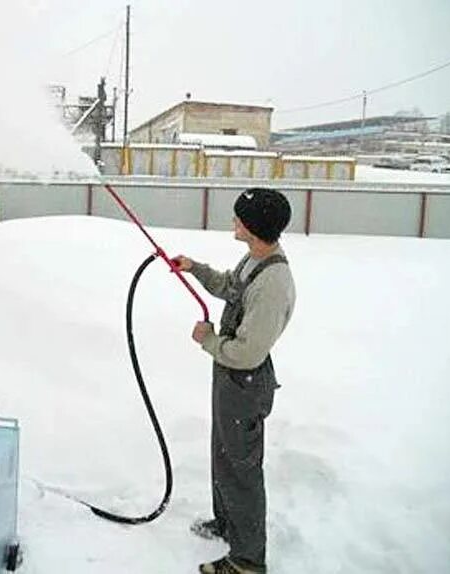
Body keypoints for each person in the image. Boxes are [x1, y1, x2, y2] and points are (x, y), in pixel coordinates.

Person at [172, 188, 296, 574]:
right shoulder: (255, 259)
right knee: (224, 455)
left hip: (244, 379)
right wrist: (194, 268)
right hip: (231, 378)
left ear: (253, 228)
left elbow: (248, 352)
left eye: (239, 218)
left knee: (240, 468)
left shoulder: (273, 283)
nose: (234, 222)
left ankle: (246, 560)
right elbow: (230, 286)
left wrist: (207, 339)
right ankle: (228, 523)